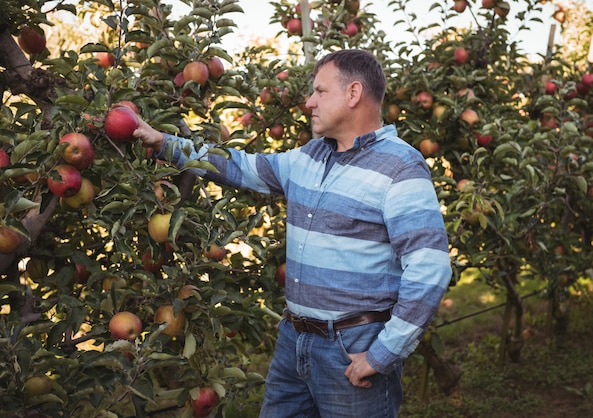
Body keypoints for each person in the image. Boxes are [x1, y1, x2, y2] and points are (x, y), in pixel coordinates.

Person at [134, 49, 452, 418]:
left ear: (353, 94)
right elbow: (238, 166)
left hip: (352, 347)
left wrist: (384, 354)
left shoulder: (400, 167)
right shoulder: (309, 157)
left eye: (320, 91)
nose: (309, 102)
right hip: (294, 341)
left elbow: (429, 268)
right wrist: (165, 143)